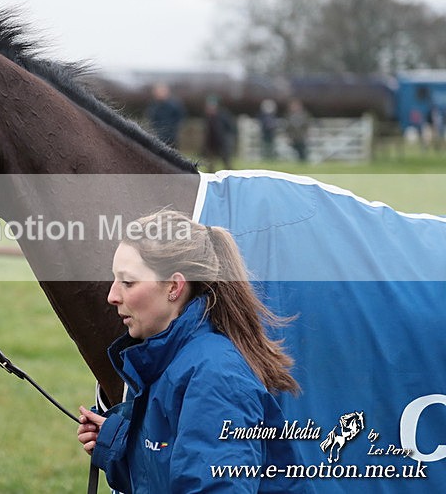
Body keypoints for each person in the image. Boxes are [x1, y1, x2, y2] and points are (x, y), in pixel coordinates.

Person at [76, 210, 310, 493]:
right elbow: (170, 472)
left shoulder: (215, 377)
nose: (112, 296)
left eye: (128, 282)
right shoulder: (174, 359)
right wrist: (119, 443)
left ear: (174, 286)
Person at [145, 83, 186, 149]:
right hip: (157, 136)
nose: (158, 94)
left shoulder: (174, 105)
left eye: (161, 91)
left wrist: (172, 128)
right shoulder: (153, 106)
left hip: (171, 136)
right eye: (157, 92)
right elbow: (151, 118)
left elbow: (180, 117)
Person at [202, 94, 235, 170]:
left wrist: (226, 140)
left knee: (227, 164)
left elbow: (230, 128)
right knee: (210, 165)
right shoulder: (207, 116)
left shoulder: (224, 115)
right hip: (211, 144)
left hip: (222, 143)